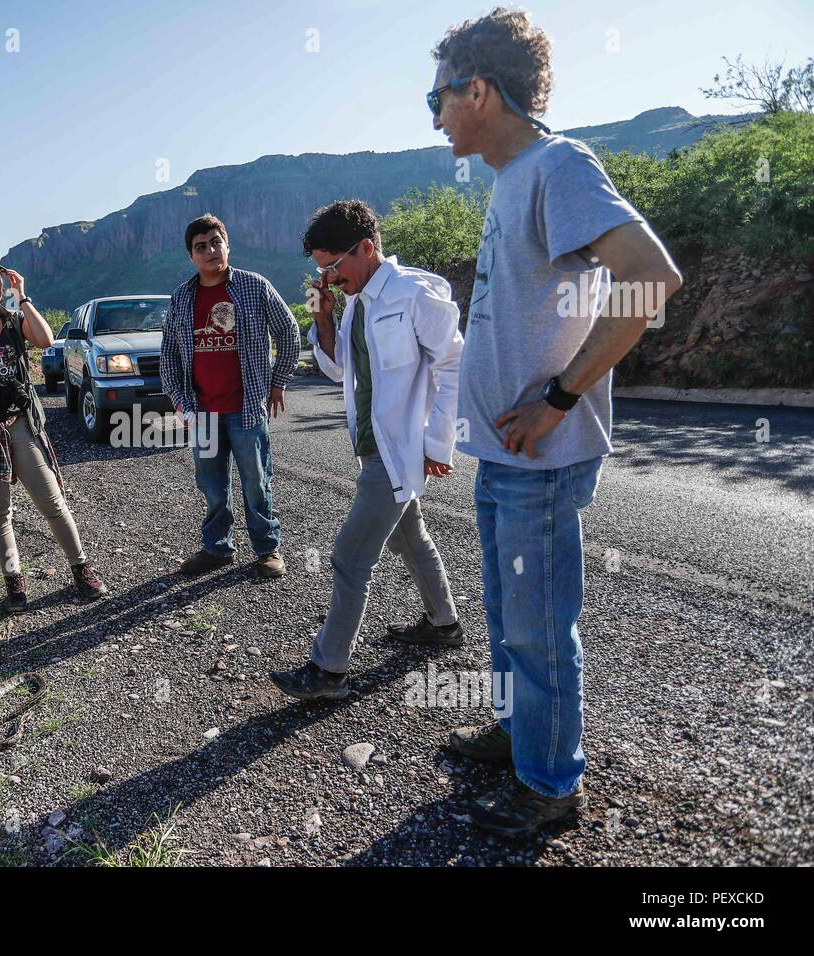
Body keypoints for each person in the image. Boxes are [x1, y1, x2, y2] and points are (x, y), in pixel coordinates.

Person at [429, 7, 682, 836]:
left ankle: (550, 787)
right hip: (508, 456)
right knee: (508, 616)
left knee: (539, 631)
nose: (432, 114)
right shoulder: (512, 178)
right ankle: (518, 737)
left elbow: (650, 279)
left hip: (542, 453)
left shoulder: (559, 164)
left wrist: (561, 396)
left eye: (438, 95)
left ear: (479, 90)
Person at [270, 200, 465, 702]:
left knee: (350, 555)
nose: (328, 278)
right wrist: (325, 317)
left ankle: (328, 670)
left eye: (333, 266)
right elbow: (337, 371)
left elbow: (453, 367)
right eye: (320, 270)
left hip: (399, 450)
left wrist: (438, 441)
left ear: (366, 248)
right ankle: (443, 624)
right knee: (410, 538)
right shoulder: (355, 301)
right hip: (372, 448)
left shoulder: (413, 293)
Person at [0, 250, 106, 610]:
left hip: (18, 424)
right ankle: (14, 581)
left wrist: (23, 295)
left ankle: (80, 568)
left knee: (52, 502)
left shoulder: (14, 319)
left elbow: (46, 340)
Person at [160, 214, 301, 579]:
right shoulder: (181, 298)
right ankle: (216, 548)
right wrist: (180, 402)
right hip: (202, 412)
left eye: (215, 242)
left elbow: (289, 331)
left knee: (257, 481)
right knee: (212, 484)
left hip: (247, 409)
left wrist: (278, 381)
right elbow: (169, 357)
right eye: (201, 246)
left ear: (227, 245)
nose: (210, 250)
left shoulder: (254, 287)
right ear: (191, 255)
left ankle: (268, 550)